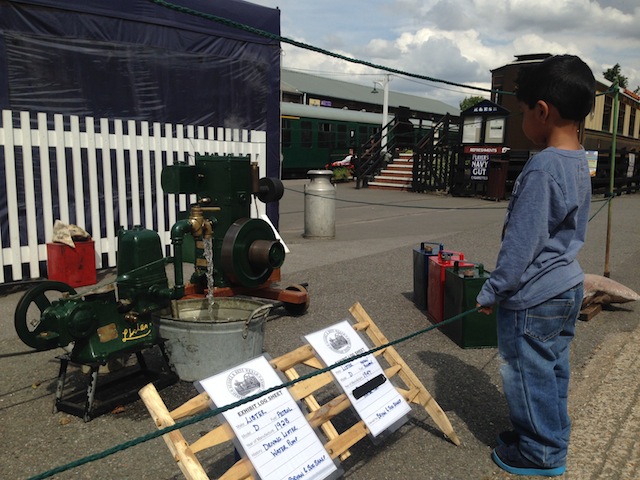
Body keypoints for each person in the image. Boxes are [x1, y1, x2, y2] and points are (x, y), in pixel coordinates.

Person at [476, 54, 595, 477]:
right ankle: (549, 435)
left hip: (535, 295)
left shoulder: (544, 166)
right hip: (566, 286)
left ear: (541, 111)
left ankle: (541, 452)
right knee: (552, 369)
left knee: (526, 372)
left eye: (524, 111)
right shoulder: (578, 158)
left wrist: (492, 290)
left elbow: (521, 244)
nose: (523, 119)